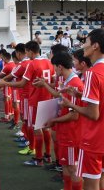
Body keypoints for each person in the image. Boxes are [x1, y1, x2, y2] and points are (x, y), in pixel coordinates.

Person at [59, 29, 104, 190]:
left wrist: (70, 104)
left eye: (85, 41)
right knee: (102, 182)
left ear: (95, 46)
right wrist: (80, 94)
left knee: (91, 185)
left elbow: (93, 114)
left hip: (94, 138)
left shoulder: (93, 73)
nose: (82, 45)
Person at [38, 51, 84, 190]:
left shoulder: (74, 84)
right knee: (65, 164)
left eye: (54, 67)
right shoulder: (67, 81)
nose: (53, 71)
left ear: (59, 67)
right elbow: (58, 94)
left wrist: (54, 120)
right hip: (65, 131)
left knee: (72, 167)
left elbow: (74, 115)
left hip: (71, 133)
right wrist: (44, 84)